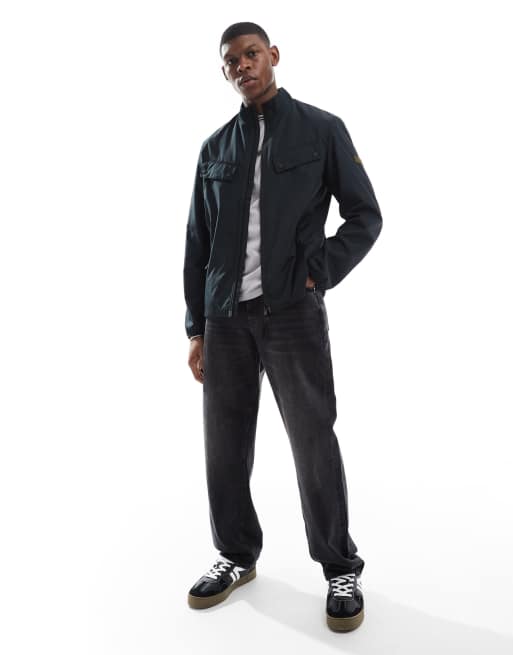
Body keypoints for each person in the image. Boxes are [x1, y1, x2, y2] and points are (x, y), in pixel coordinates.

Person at [182, 21, 383, 632]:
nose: (242, 66)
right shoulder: (215, 148)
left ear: (272, 55)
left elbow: (365, 215)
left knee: (313, 442)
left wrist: (317, 271)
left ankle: (339, 566)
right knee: (224, 446)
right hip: (225, 319)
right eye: (231, 61)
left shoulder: (322, 130)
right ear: (224, 72)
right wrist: (196, 328)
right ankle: (235, 555)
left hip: (292, 313)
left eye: (251, 54)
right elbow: (196, 244)